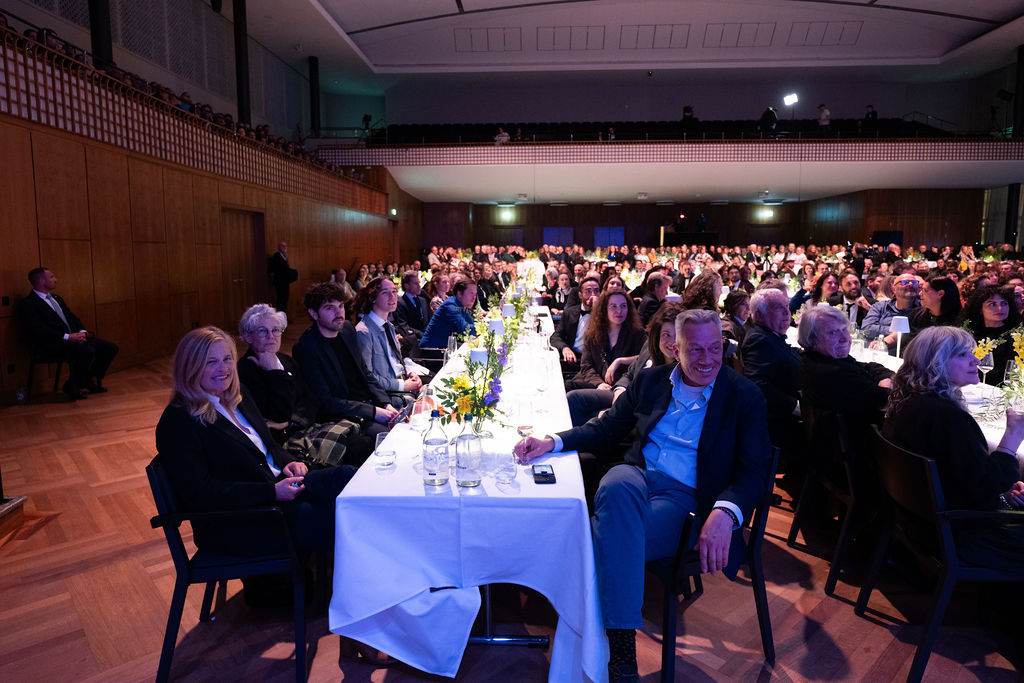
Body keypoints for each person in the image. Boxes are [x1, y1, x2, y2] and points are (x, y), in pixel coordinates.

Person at [513, 309, 771, 683]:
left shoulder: (744, 396)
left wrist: (726, 512)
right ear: (675, 348)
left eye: (715, 348)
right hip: (636, 475)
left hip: (684, 498)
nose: (707, 359)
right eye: (695, 349)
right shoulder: (651, 381)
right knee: (616, 486)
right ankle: (619, 658)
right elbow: (606, 429)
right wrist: (552, 442)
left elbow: (755, 471)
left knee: (598, 541)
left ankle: (616, 649)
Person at [883, 326, 1024, 566]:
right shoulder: (944, 416)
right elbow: (985, 490)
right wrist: (1012, 438)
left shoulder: (908, 400)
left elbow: (965, 478)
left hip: (916, 521)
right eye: (962, 355)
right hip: (956, 534)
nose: (975, 360)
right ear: (935, 362)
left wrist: (1005, 495)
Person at [236, 304, 374, 466]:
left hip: (304, 426)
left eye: (275, 330)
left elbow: (310, 400)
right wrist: (274, 373)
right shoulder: (244, 371)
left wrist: (291, 421)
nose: (271, 336)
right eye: (262, 331)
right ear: (248, 336)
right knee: (358, 448)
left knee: (364, 442)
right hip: (287, 442)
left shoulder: (285, 360)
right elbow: (277, 414)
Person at [291, 282, 398, 434]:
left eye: (340, 306)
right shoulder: (306, 348)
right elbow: (325, 402)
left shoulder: (347, 329)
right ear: (314, 314)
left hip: (368, 404)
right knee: (393, 437)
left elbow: (365, 373)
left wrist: (385, 403)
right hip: (343, 416)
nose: (339, 313)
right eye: (330, 308)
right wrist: (373, 412)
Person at [18, 267, 119, 400]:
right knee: (86, 351)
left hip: (72, 338)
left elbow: (72, 317)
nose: (56, 279)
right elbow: (38, 330)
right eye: (52, 277)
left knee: (110, 348)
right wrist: (67, 337)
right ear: (41, 281)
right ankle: (75, 385)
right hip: (50, 343)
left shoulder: (57, 298)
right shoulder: (29, 304)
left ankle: (83, 380)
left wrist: (81, 331)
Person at [797, 304, 892, 430]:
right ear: (812, 340)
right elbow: (884, 398)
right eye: (833, 332)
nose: (845, 339)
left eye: (844, 330)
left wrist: (884, 378)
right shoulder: (833, 372)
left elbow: (868, 366)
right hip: (862, 436)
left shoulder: (818, 358)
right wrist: (887, 385)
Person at [741, 288, 801, 462]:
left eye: (787, 307)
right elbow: (758, 384)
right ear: (759, 315)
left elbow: (785, 352)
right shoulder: (759, 340)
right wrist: (796, 406)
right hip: (781, 426)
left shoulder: (769, 335)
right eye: (778, 308)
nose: (787, 313)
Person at [354, 277, 423, 406]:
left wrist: (411, 373)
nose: (392, 297)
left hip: (402, 385)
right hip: (388, 396)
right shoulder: (364, 332)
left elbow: (397, 361)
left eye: (394, 291)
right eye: (385, 292)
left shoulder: (388, 326)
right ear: (373, 298)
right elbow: (368, 378)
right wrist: (403, 385)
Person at [566, 290, 646, 391]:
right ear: (604, 309)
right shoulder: (592, 334)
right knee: (567, 387)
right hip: (594, 382)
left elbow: (645, 356)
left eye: (623, 306)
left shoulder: (637, 333)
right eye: (613, 306)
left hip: (620, 385)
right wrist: (599, 383)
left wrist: (620, 360)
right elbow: (586, 366)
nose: (619, 311)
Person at [957, 285, 1022, 386]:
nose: (1000, 308)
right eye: (992, 304)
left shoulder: (1016, 336)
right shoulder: (968, 334)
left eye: (1004, 304)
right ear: (980, 309)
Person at [862, 273, 921, 353]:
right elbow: (867, 328)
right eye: (904, 282)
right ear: (894, 289)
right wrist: (899, 331)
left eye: (914, 282)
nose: (910, 284)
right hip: (879, 353)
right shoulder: (880, 306)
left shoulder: (922, 311)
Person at [551, 277, 601, 370]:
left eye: (596, 291)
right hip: (574, 359)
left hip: (597, 362)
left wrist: (597, 310)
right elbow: (556, 337)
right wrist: (565, 348)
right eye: (588, 291)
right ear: (580, 295)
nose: (593, 295)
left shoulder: (606, 315)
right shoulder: (569, 313)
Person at [420, 279, 477, 349]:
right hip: (432, 349)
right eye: (471, 293)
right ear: (459, 293)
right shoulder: (450, 306)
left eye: (475, 294)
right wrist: (482, 328)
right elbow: (465, 329)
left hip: (447, 346)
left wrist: (480, 328)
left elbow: (471, 326)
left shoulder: (462, 306)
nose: (474, 298)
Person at [393, 271, 430, 340]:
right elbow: (403, 325)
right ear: (406, 285)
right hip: (413, 340)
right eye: (416, 283)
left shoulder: (423, 301)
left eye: (419, 283)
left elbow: (428, 320)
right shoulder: (399, 303)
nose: (419, 286)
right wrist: (422, 335)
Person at [268, 241, 298, 313]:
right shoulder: (277, 256)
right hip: (280, 282)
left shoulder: (284, 256)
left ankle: (283, 314)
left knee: (285, 298)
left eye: (285, 246)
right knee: (281, 299)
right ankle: (280, 315)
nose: (284, 248)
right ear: (279, 247)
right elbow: (275, 268)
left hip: (285, 281)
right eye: (282, 246)